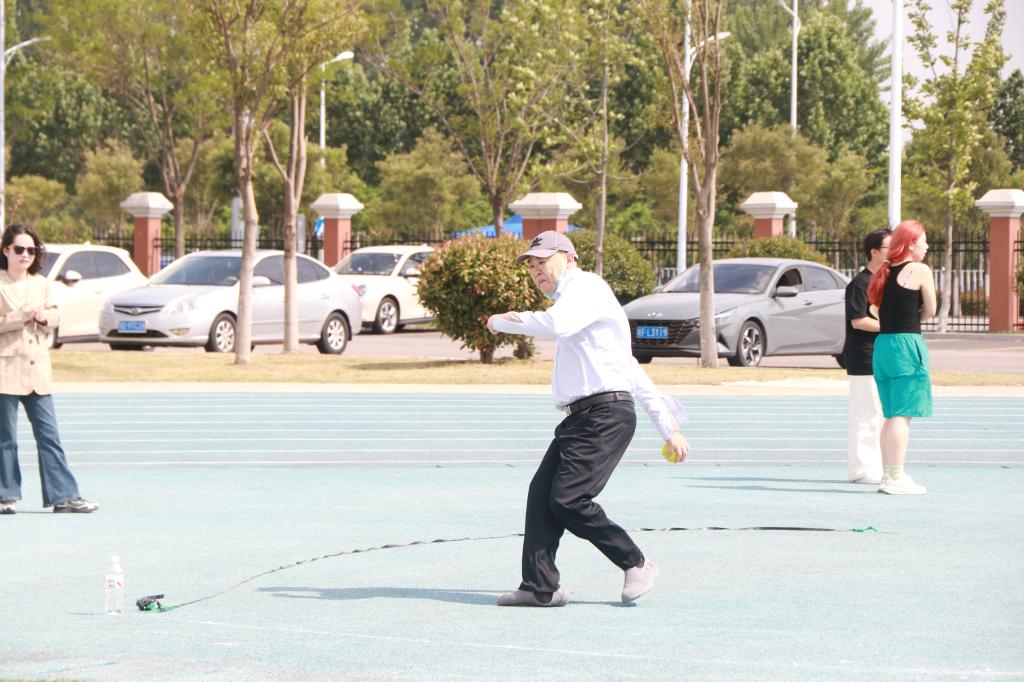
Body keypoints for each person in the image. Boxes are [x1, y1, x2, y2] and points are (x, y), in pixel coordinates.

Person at [486, 231, 689, 606]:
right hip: (582, 419)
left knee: (568, 499)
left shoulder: (586, 288)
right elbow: (631, 370)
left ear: (569, 257)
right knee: (541, 495)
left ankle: (636, 562)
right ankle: (541, 587)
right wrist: (668, 427)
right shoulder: (578, 306)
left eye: (543, 261)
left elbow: (554, 325)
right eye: (531, 265)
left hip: (604, 416)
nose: (536, 270)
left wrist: (503, 322)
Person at [0, 224, 98, 514]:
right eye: (20, 249)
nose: (25, 254)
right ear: (6, 250)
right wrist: (21, 316)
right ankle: (5, 496)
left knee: (49, 436)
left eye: (31, 250)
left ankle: (64, 496)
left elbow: (55, 315)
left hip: (37, 370)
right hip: (5, 370)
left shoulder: (41, 283)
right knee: (5, 439)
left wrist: (44, 318)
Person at [867, 220, 936, 495]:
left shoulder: (884, 271)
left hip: (883, 345)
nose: (927, 246)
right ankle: (894, 477)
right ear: (910, 244)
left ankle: (889, 474)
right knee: (901, 415)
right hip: (906, 346)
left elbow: (877, 309)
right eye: (923, 241)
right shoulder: (920, 270)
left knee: (891, 415)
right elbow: (930, 309)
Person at [842, 228, 891, 485]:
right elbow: (858, 320)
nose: (894, 253)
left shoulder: (886, 281)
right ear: (874, 252)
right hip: (864, 358)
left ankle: (877, 466)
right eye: (889, 248)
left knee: (880, 415)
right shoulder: (860, 283)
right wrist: (891, 326)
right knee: (865, 416)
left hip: (882, 357)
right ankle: (860, 470)